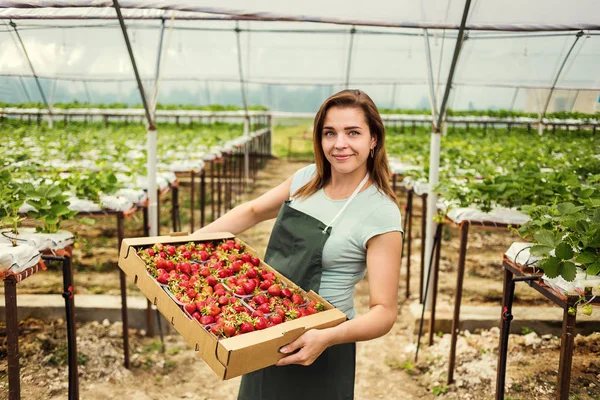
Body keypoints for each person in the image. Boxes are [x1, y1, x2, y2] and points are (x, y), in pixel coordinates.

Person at [196, 89, 403, 400]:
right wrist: (189, 244)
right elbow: (252, 211)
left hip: (322, 344)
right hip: (265, 328)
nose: (340, 144)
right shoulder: (307, 179)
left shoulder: (380, 212)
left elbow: (384, 311)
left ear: (374, 139)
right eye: (329, 133)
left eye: (353, 133)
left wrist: (328, 337)